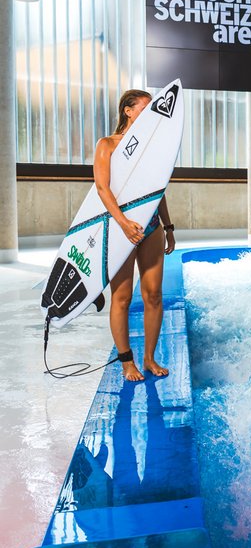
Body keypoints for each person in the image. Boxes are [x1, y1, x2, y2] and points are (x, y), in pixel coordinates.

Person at [93, 89, 176, 382]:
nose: (150, 113)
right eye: (144, 108)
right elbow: (103, 189)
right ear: (128, 111)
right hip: (120, 226)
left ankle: (150, 358)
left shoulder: (151, 149)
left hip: (150, 225)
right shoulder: (108, 145)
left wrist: (167, 226)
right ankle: (127, 362)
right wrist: (124, 223)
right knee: (123, 296)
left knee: (153, 294)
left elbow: (158, 191)